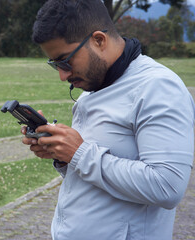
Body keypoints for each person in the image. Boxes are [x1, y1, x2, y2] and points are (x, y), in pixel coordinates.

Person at [21, 0, 195, 239]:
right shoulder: (94, 88)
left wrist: (79, 153)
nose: (63, 76)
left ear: (99, 40)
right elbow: (93, 176)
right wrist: (62, 154)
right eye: (55, 65)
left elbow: (167, 187)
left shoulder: (158, 87)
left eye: (65, 61)